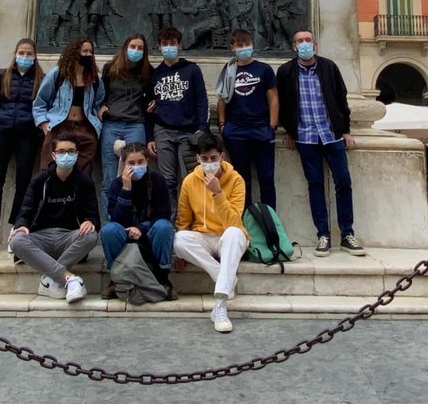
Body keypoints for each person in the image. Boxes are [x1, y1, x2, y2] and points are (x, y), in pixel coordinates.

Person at [276, 30, 366, 257]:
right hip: (305, 137)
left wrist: (345, 131)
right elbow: (282, 104)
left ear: (315, 44)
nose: (304, 44)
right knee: (315, 185)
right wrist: (289, 131)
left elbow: (341, 99)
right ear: (294, 46)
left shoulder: (329, 67)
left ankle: (347, 234)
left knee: (343, 182)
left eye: (308, 40)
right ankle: (323, 235)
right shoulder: (285, 71)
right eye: (300, 41)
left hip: (331, 134)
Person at [9, 130, 100, 303]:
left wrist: (90, 221)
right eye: (61, 151)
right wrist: (21, 224)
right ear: (53, 155)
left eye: (71, 151)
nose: (66, 155)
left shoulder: (84, 181)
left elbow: (93, 214)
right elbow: (26, 209)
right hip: (41, 238)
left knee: (91, 236)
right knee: (17, 241)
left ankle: (49, 279)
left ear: (77, 154)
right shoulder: (40, 180)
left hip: (69, 239)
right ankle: (67, 278)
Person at [174, 132, 247, 333]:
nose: (209, 163)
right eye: (204, 159)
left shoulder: (236, 180)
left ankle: (220, 305)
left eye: (213, 158)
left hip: (227, 237)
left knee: (234, 233)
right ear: (198, 158)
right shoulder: (190, 181)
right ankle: (226, 278)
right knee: (178, 239)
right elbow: (183, 218)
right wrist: (181, 255)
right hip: (203, 237)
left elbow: (234, 221)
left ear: (221, 157)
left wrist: (218, 193)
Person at [0, 39, 44, 256]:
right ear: (15, 54)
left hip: (27, 135)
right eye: (21, 52)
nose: (25, 57)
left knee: (23, 182)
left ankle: (16, 229)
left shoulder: (41, 79)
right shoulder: (2, 76)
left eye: (29, 53)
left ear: (34, 56)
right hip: (2, 133)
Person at [100, 140, 176, 299]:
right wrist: (126, 189)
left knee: (164, 226)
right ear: (124, 164)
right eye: (131, 163)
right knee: (108, 230)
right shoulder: (116, 185)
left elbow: (163, 214)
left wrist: (141, 228)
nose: (136, 166)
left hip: (150, 235)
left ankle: (163, 277)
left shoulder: (157, 180)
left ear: (147, 161)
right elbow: (116, 218)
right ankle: (116, 278)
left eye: (140, 162)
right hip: (126, 236)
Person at [148, 26, 209, 215]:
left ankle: (191, 219)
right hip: (163, 130)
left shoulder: (192, 70)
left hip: (188, 131)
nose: (169, 47)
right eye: (165, 44)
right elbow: (149, 107)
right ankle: (171, 220)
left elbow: (202, 99)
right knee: (167, 180)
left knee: (190, 177)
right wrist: (150, 137)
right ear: (159, 46)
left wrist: (202, 128)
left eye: (172, 43)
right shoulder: (155, 74)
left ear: (180, 45)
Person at [216, 28, 279, 208]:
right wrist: (222, 125)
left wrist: (272, 126)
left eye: (247, 44)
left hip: (261, 128)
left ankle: (269, 219)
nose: (244, 48)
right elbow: (222, 98)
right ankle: (245, 218)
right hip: (236, 130)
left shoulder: (264, 69)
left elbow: (273, 98)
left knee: (266, 178)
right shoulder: (229, 70)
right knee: (241, 179)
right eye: (240, 45)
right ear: (232, 47)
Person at [98, 33, 153, 221]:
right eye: (133, 47)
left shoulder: (147, 71)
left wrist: (153, 103)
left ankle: (137, 224)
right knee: (109, 178)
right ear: (125, 47)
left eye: (140, 48)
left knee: (137, 175)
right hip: (111, 124)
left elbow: (151, 96)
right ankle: (108, 226)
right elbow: (102, 94)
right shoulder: (110, 68)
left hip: (135, 124)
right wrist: (102, 106)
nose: (136, 51)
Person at [33, 38, 104, 177]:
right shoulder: (58, 74)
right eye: (85, 51)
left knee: (83, 174)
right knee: (49, 171)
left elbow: (98, 104)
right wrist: (44, 125)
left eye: (90, 52)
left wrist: (96, 126)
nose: (88, 55)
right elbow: (40, 103)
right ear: (74, 52)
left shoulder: (94, 79)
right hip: (59, 127)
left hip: (85, 129)